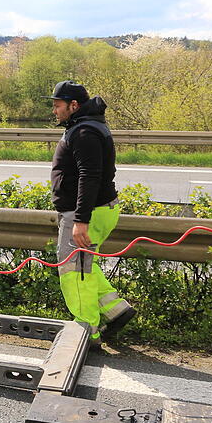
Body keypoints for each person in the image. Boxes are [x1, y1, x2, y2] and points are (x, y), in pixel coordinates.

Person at [47, 80, 136, 349]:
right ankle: (116, 311)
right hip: (93, 211)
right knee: (85, 266)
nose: (54, 110)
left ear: (73, 105)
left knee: (75, 272)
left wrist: (80, 221)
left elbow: (90, 176)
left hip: (86, 213)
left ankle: (87, 334)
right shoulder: (85, 126)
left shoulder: (85, 132)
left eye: (57, 105)